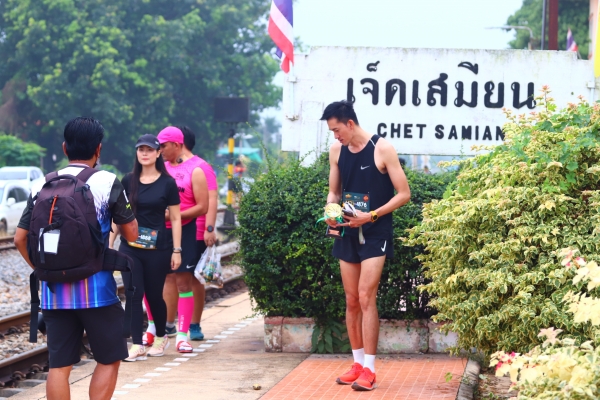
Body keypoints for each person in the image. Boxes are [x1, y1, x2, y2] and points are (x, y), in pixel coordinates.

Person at [13, 117, 138, 400]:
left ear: (64, 147)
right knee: (109, 358)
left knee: (59, 366)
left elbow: (20, 239)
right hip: (98, 293)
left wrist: (44, 269)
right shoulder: (107, 181)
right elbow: (132, 234)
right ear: (98, 149)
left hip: (53, 293)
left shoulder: (41, 184)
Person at [322, 101, 410, 391]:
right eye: (332, 132)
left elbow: (404, 193)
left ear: (350, 123)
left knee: (365, 296)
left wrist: (370, 216)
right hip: (347, 230)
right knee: (351, 299)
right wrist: (330, 211)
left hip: (375, 231)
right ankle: (357, 364)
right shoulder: (337, 151)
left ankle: (370, 369)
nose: (336, 136)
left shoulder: (382, 149)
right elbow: (334, 192)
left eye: (337, 130)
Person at [109, 134, 182, 361]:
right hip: (130, 247)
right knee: (133, 294)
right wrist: (109, 244)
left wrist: (176, 250)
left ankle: (161, 336)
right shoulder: (128, 180)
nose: (145, 153)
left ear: (158, 153)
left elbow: (176, 218)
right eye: (141, 149)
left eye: (150, 150)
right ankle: (137, 344)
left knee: (153, 295)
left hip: (157, 249)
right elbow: (118, 216)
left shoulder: (167, 183)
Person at [161, 126, 218, 341]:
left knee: (193, 277)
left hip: (195, 228)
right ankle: (168, 324)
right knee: (170, 276)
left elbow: (211, 199)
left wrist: (209, 228)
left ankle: (194, 323)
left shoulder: (201, 167)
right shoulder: (164, 166)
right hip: (168, 229)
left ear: (179, 143)